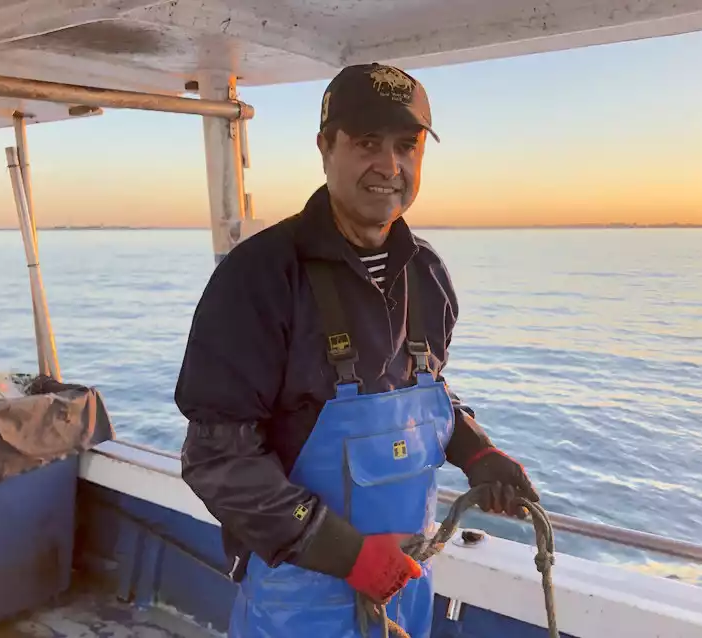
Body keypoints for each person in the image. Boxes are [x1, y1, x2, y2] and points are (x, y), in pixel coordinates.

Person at [175, 62, 540, 638]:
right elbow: (216, 458)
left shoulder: (428, 275)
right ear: (326, 146)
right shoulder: (261, 276)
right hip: (300, 596)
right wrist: (348, 556)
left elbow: (421, 388)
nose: (389, 166)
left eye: (406, 145)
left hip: (405, 582)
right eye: (367, 142)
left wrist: (475, 450)